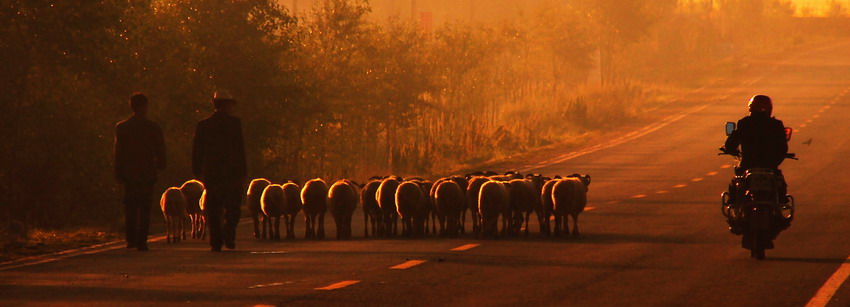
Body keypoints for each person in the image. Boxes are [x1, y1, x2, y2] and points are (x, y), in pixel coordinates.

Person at [722, 95, 790, 233]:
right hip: (769, 167)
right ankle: (781, 207)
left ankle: (733, 210)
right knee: (780, 185)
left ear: (751, 108)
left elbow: (731, 142)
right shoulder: (776, 125)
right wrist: (776, 159)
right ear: (769, 109)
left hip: (748, 165)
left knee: (736, 186)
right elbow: (783, 147)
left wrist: (729, 149)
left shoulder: (744, 123)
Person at [192, 90, 247, 252]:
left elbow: (197, 150)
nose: (231, 107)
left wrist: (197, 170)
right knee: (232, 207)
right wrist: (243, 171)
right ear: (224, 105)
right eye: (229, 104)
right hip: (230, 173)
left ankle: (217, 240)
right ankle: (228, 233)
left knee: (214, 208)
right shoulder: (234, 124)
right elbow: (239, 149)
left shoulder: (204, 125)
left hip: (213, 173)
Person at [114, 92, 166, 251]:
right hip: (147, 173)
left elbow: (118, 152)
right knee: (144, 207)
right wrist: (161, 165)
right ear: (144, 107)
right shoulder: (153, 127)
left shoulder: (122, 127)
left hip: (129, 173)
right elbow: (160, 149)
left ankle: (131, 239)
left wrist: (118, 172)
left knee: (130, 206)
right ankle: (142, 240)